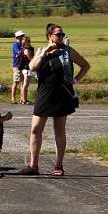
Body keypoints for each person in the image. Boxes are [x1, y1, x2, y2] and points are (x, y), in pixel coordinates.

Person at [22, 24, 90, 176]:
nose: (61, 37)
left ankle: (59, 166)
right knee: (35, 129)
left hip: (62, 94)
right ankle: (34, 165)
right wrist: (45, 52)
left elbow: (85, 65)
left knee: (59, 130)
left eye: (62, 34)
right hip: (44, 94)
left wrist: (75, 80)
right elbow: (32, 67)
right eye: (58, 35)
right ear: (49, 36)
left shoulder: (68, 51)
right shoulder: (41, 51)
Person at [16, 36, 35, 105]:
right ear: (25, 42)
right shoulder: (26, 50)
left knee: (25, 85)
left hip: (26, 69)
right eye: (28, 41)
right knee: (25, 85)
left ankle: (23, 99)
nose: (30, 42)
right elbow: (31, 59)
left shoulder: (28, 49)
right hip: (27, 69)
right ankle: (24, 99)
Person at [10, 30, 26, 104]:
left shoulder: (23, 44)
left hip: (23, 65)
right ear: (18, 37)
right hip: (17, 65)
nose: (23, 36)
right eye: (22, 35)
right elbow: (18, 52)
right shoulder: (15, 44)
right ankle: (13, 98)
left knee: (23, 82)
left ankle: (21, 98)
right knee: (16, 82)